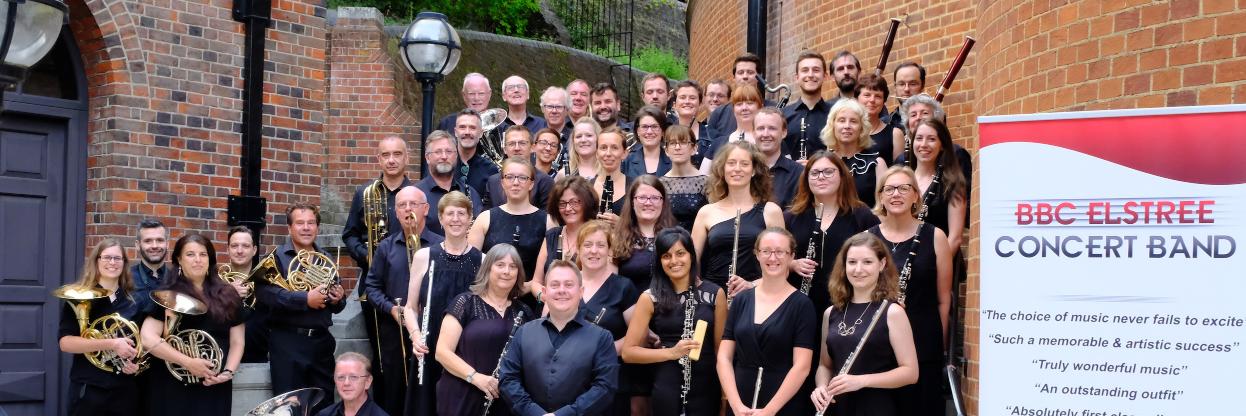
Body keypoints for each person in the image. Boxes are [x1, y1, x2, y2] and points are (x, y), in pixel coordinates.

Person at [867, 167, 952, 416]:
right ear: (880, 196)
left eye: (905, 188)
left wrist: (938, 347)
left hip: (923, 342)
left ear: (916, 195)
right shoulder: (866, 239)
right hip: (878, 344)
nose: (897, 194)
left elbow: (943, 299)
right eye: (889, 189)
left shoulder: (935, 236)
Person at [810, 232, 919, 416]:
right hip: (837, 408)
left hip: (875, 408)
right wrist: (821, 387)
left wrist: (861, 381)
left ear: (882, 264)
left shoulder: (892, 312)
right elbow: (825, 365)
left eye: (867, 262)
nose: (858, 269)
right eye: (852, 262)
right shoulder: (831, 313)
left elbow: (910, 373)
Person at [341, 135, 412, 411]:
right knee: (383, 360)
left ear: (406, 158)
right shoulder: (365, 193)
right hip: (375, 287)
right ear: (379, 159)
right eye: (386, 155)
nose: (391, 160)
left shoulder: (416, 194)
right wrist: (370, 257)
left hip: (409, 284)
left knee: (409, 360)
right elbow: (350, 234)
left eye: (397, 154)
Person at [622, 228, 726, 415]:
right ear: (660, 261)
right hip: (668, 385)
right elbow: (629, 353)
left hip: (707, 386)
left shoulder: (715, 294)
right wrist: (672, 353)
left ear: (691, 256)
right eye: (666, 256)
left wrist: (725, 396)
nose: (674, 261)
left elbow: (721, 351)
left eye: (680, 254)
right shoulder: (649, 297)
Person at [257, 202, 347, 414]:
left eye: (311, 223)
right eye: (300, 223)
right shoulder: (276, 258)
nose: (306, 227)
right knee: (289, 407)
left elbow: (336, 305)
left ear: (317, 227)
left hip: (321, 342)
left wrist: (338, 298)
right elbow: (266, 294)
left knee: (323, 404)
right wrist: (304, 298)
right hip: (288, 342)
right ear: (290, 228)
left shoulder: (326, 257)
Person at [140, 233, 245, 416]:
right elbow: (148, 338)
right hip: (172, 385)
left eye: (203, 254)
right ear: (179, 259)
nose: (197, 260)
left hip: (214, 384)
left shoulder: (228, 294)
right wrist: (188, 362)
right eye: (190, 254)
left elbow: (237, 341)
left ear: (210, 259)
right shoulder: (166, 295)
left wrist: (227, 373)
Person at [498, 260, 620, 415]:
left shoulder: (602, 338)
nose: (562, 290)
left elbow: (605, 387)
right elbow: (508, 379)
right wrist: (534, 412)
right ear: (545, 291)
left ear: (581, 292)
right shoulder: (524, 332)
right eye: (555, 285)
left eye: (569, 285)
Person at [717, 228, 817, 415]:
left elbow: (802, 367)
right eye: (766, 251)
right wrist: (736, 406)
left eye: (780, 252)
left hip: (782, 403)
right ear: (757, 254)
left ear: (791, 256)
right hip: (740, 401)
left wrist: (769, 411)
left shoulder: (803, 305)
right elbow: (724, 357)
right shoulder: (741, 300)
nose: (773, 258)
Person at [362, 186, 442, 416]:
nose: (408, 209)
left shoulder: (439, 245)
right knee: (394, 391)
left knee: (428, 389)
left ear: (426, 209)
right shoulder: (386, 247)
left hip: (430, 332)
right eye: (402, 205)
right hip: (393, 331)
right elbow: (372, 287)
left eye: (413, 204)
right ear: (395, 212)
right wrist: (392, 309)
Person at [433, 244, 533, 416]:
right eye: (500, 265)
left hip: (504, 401)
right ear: (487, 269)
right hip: (462, 395)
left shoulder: (524, 312)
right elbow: (442, 352)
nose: (506, 271)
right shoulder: (465, 302)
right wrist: (475, 377)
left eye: (513, 266)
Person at [785, 152, 879, 317]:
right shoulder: (790, 217)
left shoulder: (861, 215)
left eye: (828, 172)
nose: (821, 177)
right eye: (814, 173)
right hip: (799, 305)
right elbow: (775, 257)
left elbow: (877, 258)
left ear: (842, 176)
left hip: (847, 302)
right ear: (806, 179)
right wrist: (792, 264)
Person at [59, 239, 142, 416]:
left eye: (118, 258)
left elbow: (139, 345)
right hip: (88, 388)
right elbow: (65, 343)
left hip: (124, 389)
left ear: (124, 263)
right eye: (107, 257)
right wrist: (111, 344)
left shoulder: (134, 301)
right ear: (96, 261)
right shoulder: (79, 297)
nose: (112, 263)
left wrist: (135, 364)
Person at [691, 141, 784, 297]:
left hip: (757, 294)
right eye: (731, 163)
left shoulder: (771, 211)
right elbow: (692, 261)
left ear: (754, 170)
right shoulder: (706, 212)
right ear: (723, 169)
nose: (737, 169)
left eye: (744, 164)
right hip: (714, 296)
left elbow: (782, 263)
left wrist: (751, 285)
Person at [576, 220, 641, 415]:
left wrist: (604, 351)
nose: (593, 251)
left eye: (600, 245)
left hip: (610, 378)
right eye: (587, 245)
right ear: (578, 250)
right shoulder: (565, 282)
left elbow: (638, 336)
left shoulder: (623, 287)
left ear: (610, 251)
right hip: (570, 377)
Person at [469, 157, 549, 306]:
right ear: (502, 183)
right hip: (489, 300)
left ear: (531, 184)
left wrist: (531, 286)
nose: (516, 182)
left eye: (522, 178)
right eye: (510, 177)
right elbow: (471, 265)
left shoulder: (548, 221)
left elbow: (552, 267)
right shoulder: (485, 219)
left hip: (532, 302)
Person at [903, 119, 968, 254]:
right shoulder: (900, 180)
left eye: (931, 139)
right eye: (919, 138)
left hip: (938, 261)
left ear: (942, 145)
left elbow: (955, 238)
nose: (924, 144)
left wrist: (934, 269)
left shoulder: (953, 183)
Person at [530, 176, 598, 298]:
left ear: (587, 203)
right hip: (549, 308)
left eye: (574, 202)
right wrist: (545, 298)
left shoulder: (598, 236)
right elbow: (536, 282)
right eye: (562, 203)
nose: (568, 208)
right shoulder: (552, 235)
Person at [614, 175, 677, 291]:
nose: (648, 203)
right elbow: (611, 285)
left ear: (663, 202)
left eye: (655, 198)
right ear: (632, 202)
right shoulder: (616, 238)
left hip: (670, 306)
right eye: (642, 197)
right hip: (631, 307)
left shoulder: (676, 237)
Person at [416, 130, 484, 237]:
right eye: (438, 152)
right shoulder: (416, 194)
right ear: (427, 158)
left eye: (449, 151)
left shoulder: (470, 193)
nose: (444, 156)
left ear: (456, 155)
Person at [824, 99, 887, 209]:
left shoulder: (877, 164)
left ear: (862, 127)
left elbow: (884, 209)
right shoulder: (823, 163)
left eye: (853, 121)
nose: (847, 126)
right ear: (832, 125)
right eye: (841, 120)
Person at [483, 126, 556, 210]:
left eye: (522, 143)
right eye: (511, 144)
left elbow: (548, 218)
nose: (517, 148)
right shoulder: (493, 181)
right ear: (505, 149)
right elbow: (486, 215)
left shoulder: (545, 181)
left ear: (532, 147)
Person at [226, 226, 270, 363]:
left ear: (254, 250)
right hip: (222, 358)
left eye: (245, 246)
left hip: (258, 359)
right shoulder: (215, 282)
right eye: (234, 246)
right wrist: (227, 292)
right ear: (227, 250)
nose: (239, 251)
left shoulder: (267, 283)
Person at [700, 83, 763, 173]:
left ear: (760, 107)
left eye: (750, 103)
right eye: (739, 104)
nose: (744, 108)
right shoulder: (718, 144)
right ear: (733, 109)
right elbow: (702, 181)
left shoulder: (770, 141)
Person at [783, 50, 831, 163]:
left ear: (825, 76)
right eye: (805, 70)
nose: (810, 75)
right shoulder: (782, 115)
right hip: (792, 179)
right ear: (797, 77)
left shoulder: (836, 115)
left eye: (816, 70)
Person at [660, 125, 709, 231]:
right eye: (672, 143)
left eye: (683, 142)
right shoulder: (659, 184)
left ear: (694, 148)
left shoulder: (707, 183)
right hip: (667, 243)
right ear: (666, 150)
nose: (677, 147)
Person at [707, 54, 767, 139]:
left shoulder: (774, 108)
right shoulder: (718, 113)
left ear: (759, 77)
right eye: (740, 72)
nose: (745, 76)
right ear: (734, 78)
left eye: (750, 72)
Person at [754, 107, 802, 208]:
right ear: (754, 133)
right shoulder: (744, 170)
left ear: (784, 133)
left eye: (772, 128)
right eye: (760, 128)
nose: (766, 134)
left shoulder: (799, 173)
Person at [316, 352, 389, 416]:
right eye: (341, 377)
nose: (346, 383)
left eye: (353, 377)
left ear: (368, 381)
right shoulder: (324, 414)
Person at [855, 74, 906, 165]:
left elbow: (899, 173)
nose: (872, 100)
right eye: (867, 95)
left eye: (878, 96)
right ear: (856, 99)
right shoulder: (846, 132)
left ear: (883, 102)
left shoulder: (895, 134)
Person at [455, 109, 501, 199]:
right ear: (456, 132)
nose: (467, 132)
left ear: (480, 133)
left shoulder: (491, 169)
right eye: (462, 127)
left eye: (472, 128)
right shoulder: (444, 164)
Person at [592, 127, 631, 223]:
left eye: (614, 148)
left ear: (624, 153)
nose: (608, 153)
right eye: (603, 148)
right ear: (597, 153)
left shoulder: (635, 187)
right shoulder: (585, 187)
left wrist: (621, 224)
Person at [669, 80, 711, 167]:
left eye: (692, 98)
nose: (687, 101)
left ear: (700, 104)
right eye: (682, 97)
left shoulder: (711, 136)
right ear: (674, 105)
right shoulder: (664, 135)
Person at [622, 105, 672, 177]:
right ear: (638, 131)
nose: (649, 131)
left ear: (663, 131)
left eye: (654, 126)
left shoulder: (673, 161)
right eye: (644, 127)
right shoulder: (626, 162)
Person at [132, 218, 170, 314]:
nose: (154, 246)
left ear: (167, 244)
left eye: (160, 240)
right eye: (148, 241)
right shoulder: (125, 278)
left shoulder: (178, 280)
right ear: (137, 245)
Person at [889, 62, 926, 128]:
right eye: (901, 84)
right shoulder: (888, 123)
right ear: (895, 87)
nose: (906, 89)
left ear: (922, 86)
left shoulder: (934, 116)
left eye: (913, 84)